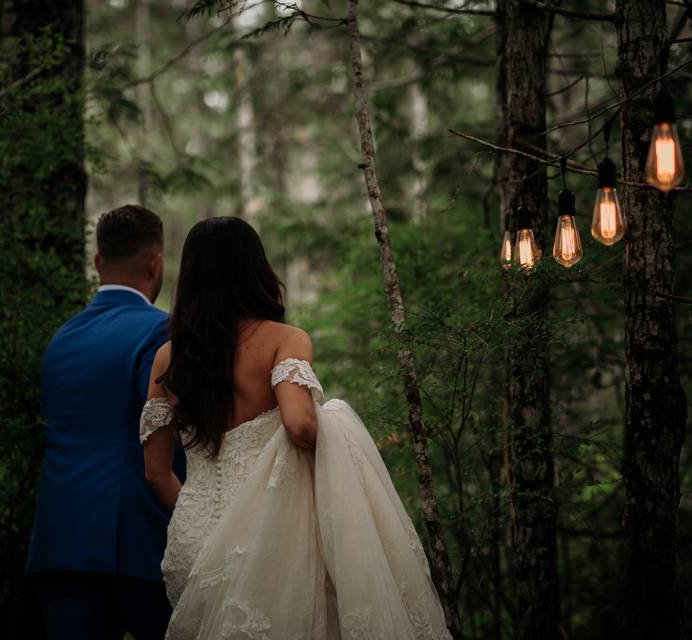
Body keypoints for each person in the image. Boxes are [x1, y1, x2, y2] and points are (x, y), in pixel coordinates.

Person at [141, 216, 452, 639]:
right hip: (268, 537)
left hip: (192, 543)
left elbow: (156, 472)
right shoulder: (284, 339)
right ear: (255, 269)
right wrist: (339, 426)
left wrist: (198, 519)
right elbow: (300, 424)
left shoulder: (166, 359)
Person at [26, 204, 185, 640]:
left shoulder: (62, 339)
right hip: (138, 543)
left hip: (60, 543)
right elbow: (170, 431)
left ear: (98, 262)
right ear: (156, 264)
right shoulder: (162, 333)